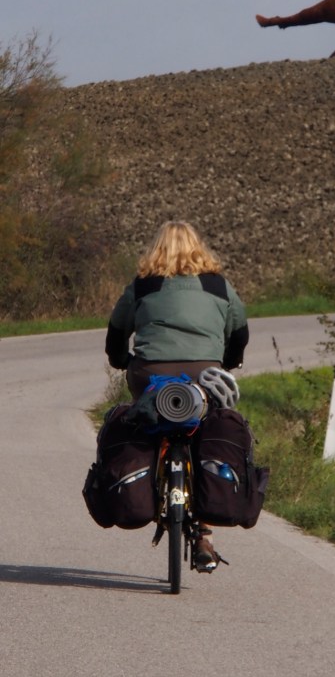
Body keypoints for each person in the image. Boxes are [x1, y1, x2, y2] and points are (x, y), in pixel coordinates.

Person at [105, 220, 249, 570]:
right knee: (206, 430)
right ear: (199, 248)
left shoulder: (142, 285)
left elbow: (116, 331)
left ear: (156, 249)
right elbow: (240, 331)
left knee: (148, 422)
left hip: (150, 374)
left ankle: (149, 483)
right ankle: (204, 533)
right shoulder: (218, 286)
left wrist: (121, 361)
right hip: (205, 374)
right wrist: (227, 364)